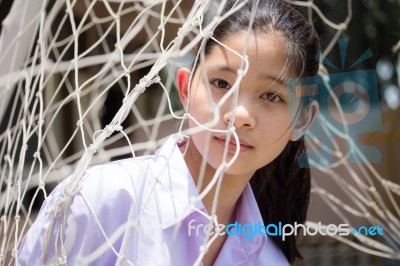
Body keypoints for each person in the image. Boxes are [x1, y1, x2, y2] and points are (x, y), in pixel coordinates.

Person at [17, 0, 320, 265]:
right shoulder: (96, 202)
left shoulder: (268, 259)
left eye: (272, 97)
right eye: (221, 84)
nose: (239, 115)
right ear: (186, 88)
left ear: (302, 120)